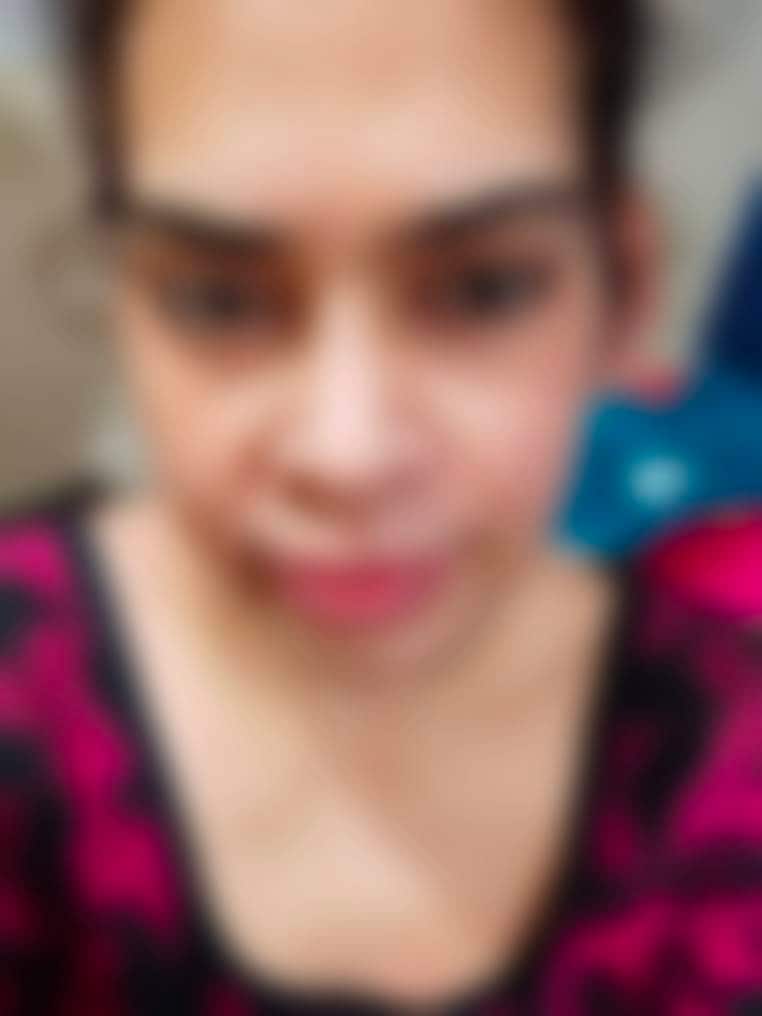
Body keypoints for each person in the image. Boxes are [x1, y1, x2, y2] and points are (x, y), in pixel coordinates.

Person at [2, 2, 761, 1012]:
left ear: (622, 284)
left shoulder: (732, 757)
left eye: (485, 289)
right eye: (218, 299)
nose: (347, 454)